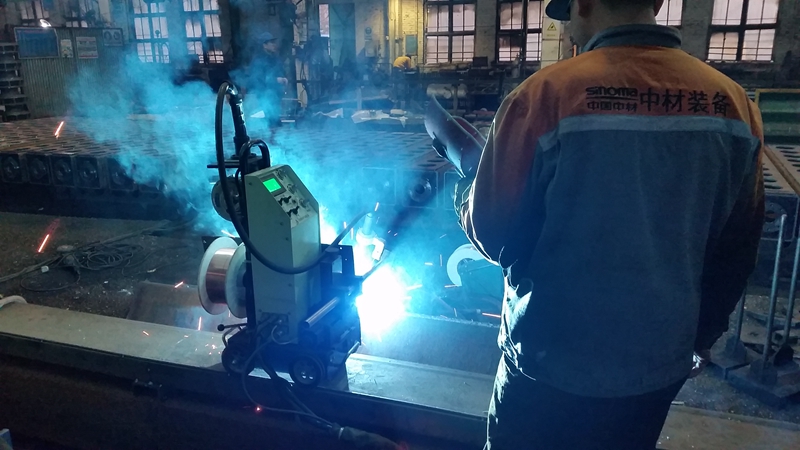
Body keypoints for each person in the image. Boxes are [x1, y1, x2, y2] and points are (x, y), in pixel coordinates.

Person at [453, 1, 765, 449]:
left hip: (549, 362)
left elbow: (493, 231)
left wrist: (467, 192)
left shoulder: (544, 96)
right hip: (655, 366)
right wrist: (701, 338)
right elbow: (738, 248)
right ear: (656, 2)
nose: (568, 28)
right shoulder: (734, 105)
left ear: (582, 4)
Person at [245, 32, 288, 141]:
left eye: (274, 42)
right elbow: (257, 79)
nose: (274, 45)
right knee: (270, 116)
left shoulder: (275, 58)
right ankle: (270, 139)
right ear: (264, 45)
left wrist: (283, 79)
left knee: (276, 116)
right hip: (265, 94)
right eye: (271, 42)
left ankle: (274, 138)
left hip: (276, 92)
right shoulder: (258, 61)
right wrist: (275, 80)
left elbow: (280, 71)